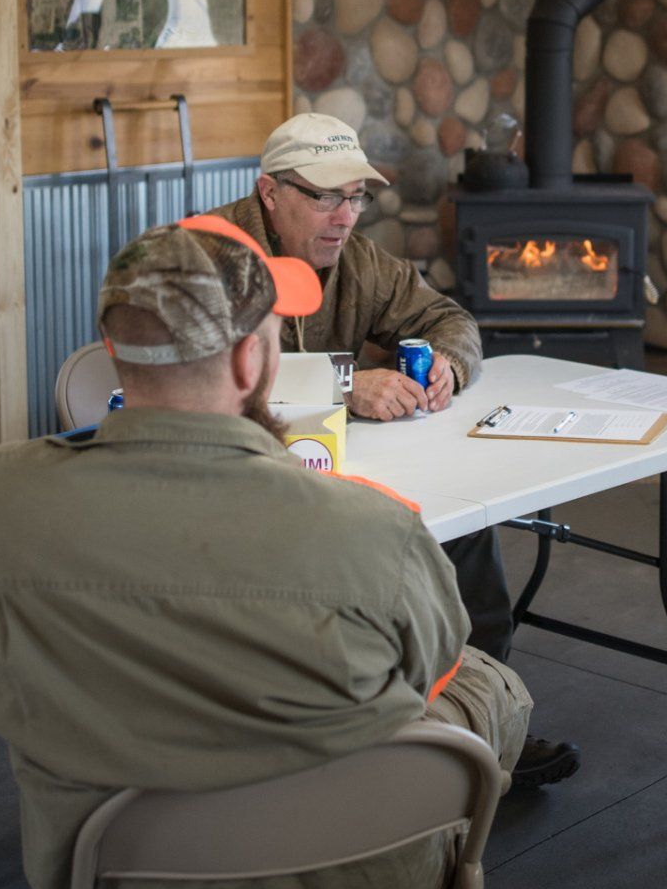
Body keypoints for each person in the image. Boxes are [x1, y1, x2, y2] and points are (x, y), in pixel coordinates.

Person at [0, 216, 533, 889]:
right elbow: (428, 667)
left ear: (114, 349)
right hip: (358, 860)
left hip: (119, 865)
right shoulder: (379, 532)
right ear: (249, 361)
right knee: (490, 684)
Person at [210, 112, 578, 786]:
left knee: (464, 522)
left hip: (344, 471)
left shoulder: (359, 260)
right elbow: (211, 373)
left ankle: (486, 722)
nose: (344, 215)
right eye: (324, 196)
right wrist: (346, 384)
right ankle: (363, 747)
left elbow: (451, 319)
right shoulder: (210, 255)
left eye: (355, 196)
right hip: (237, 484)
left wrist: (447, 363)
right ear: (269, 193)